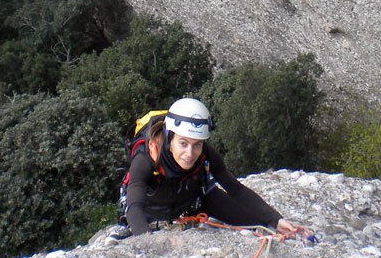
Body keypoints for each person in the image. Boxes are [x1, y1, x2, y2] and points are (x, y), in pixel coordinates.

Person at [113, 97, 311, 240]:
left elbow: (236, 189)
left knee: (258, 223)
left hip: (192, 201)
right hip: (151, 208)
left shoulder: (205, 153)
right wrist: (148, 242)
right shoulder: (146, 158)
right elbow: (134, 207)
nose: (190, 153)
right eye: (183, 143)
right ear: (170, 138)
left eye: (197, 144)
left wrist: (276, 220)